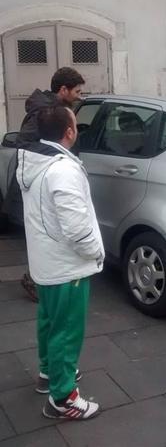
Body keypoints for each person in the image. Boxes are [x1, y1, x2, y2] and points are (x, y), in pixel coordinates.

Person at [17, 105, 104, 419]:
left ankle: (48, 375)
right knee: (67, 331)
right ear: (70, 131)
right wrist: (96, 251)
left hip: (47, 263)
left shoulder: (36, 162)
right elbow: (77, 227)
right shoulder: (62, 169)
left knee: (50, 323)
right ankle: (63, 398)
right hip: (67, 267)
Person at [4, 67, 85, 302]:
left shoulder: (61, 109)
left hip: (53, 180)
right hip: (42, 183)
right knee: (45, 235)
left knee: (54, 233)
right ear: (63, 90)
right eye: (77, 91)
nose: (81, 95)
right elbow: (24, 143)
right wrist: (57, 158)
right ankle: (34, 279)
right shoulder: (42, 112)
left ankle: (44, 277)